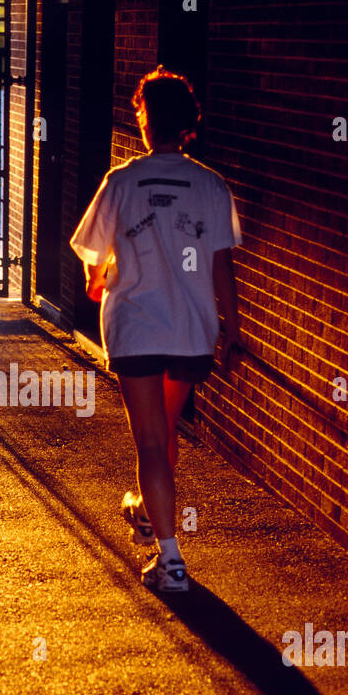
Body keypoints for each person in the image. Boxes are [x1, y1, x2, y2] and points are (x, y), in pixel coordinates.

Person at [69, 66, 244, 592]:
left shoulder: (121, 181)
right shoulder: (211, 186)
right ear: (188, 123)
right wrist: (232, 332)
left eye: (141, 111)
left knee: (149, 439)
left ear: (144, 120)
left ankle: (171, 562)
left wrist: (98, 279)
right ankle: (149, 510)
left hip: (138, 325)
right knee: (165, 432)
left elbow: (93, 261)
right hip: (191, 330)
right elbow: (221, 267)